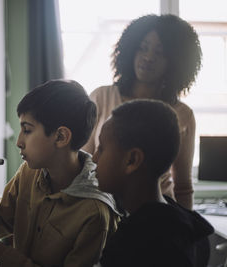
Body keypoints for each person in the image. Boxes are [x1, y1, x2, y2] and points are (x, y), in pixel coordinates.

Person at [0, 80, 120, 266]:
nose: (19, 141)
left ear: (60, 137)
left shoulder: (95, 213)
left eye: (27, 130)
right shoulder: (30, 172)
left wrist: (3, 255)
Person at [82, 14, 202, 210]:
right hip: (101, 208)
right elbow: (83, 165)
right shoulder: (100, 97)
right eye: (142, 48)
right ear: (130, 49)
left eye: (160, 52)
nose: (148, 57)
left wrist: (186, 231)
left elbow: (183, 187)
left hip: (158, 214)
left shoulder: (182, 114)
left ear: (174, 61)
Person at [93, 99, 214, 267]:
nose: (93, 159)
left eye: (101, 149)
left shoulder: (133, 245)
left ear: (132, 160)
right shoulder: (184, 224)